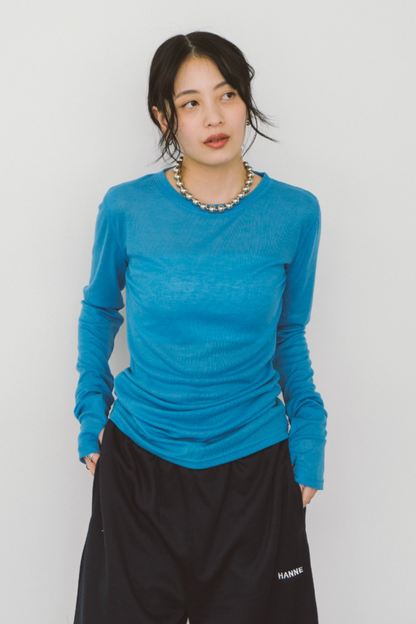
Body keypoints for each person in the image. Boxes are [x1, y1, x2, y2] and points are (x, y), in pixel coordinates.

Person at [72, 30, 328, 624]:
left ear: (245, 100)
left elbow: (289, 332)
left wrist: (310, 436)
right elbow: (100, 310)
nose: (214, 117)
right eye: (191, 103)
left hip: (255, 466)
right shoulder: (126, 208)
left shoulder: (295, 213)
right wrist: (91, 415)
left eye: (227, 94)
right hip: (139, 465)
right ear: (164, 117)